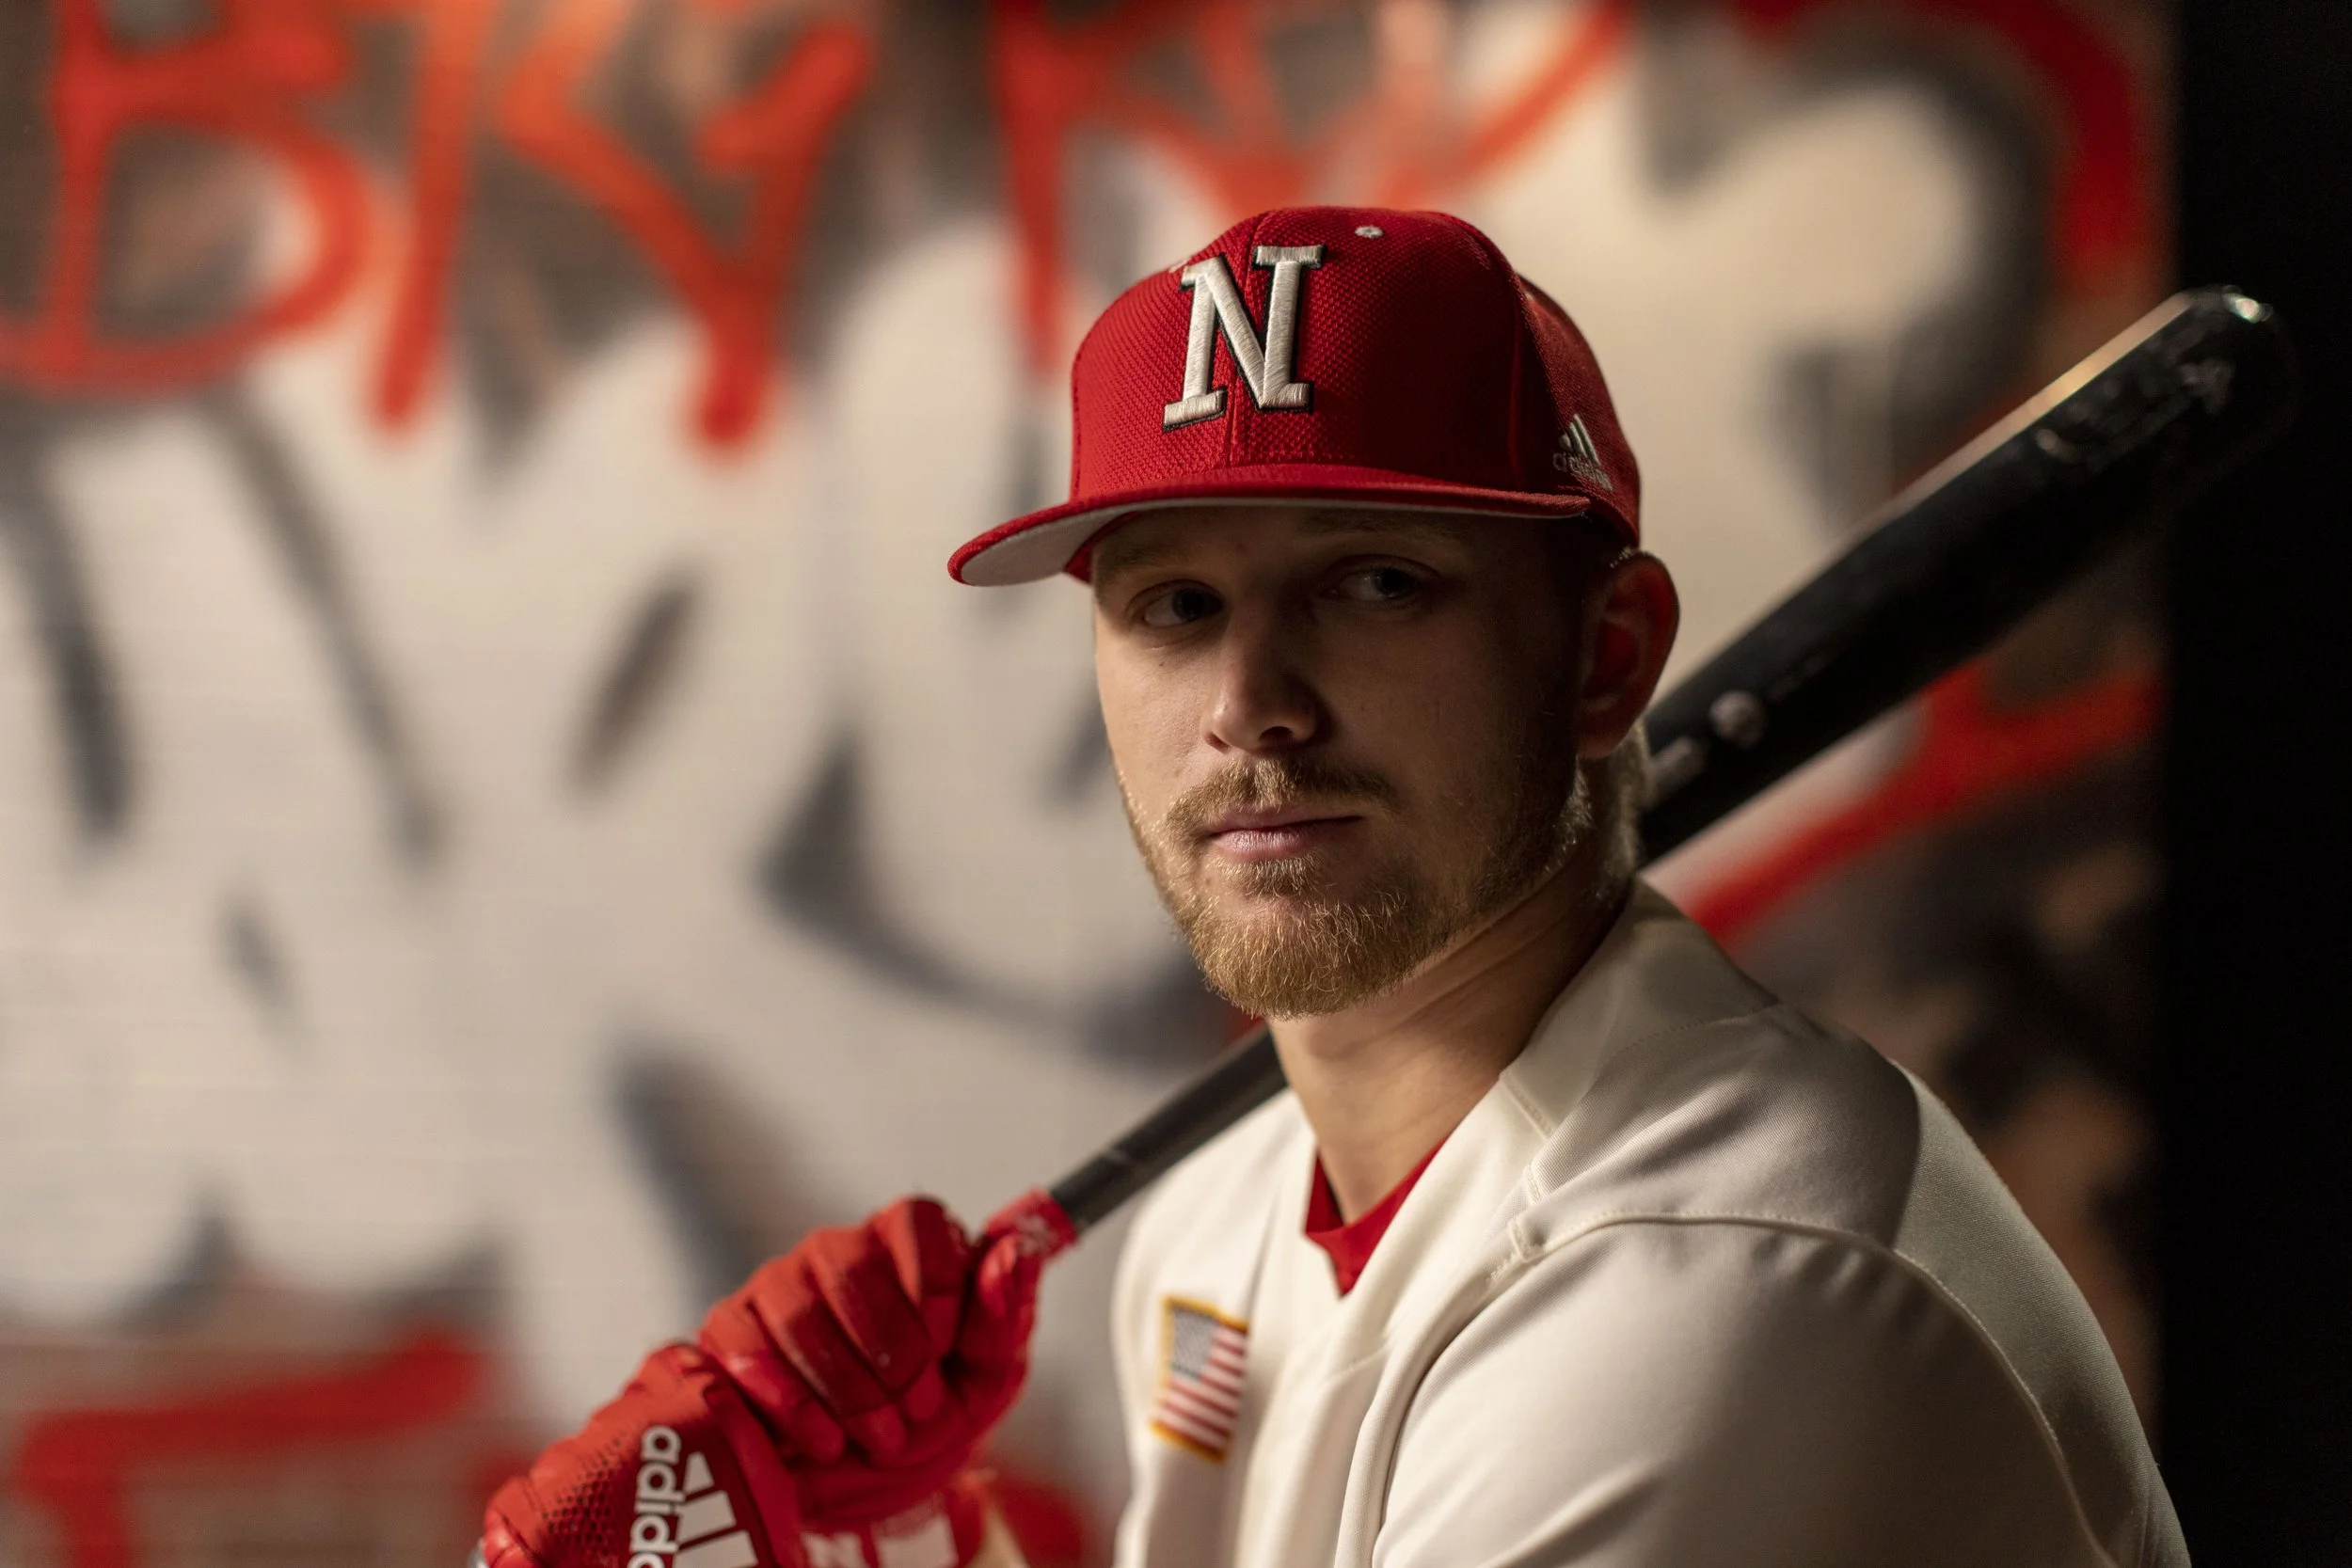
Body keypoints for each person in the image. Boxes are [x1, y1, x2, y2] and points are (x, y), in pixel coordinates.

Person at [476, 207, 2186, 1568]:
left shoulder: (1720, 1282)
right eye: (1174, 606)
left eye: (1375, 581)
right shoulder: (1226, 1221)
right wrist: (904, 1537)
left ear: (1606, 661)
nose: (1252, 703)